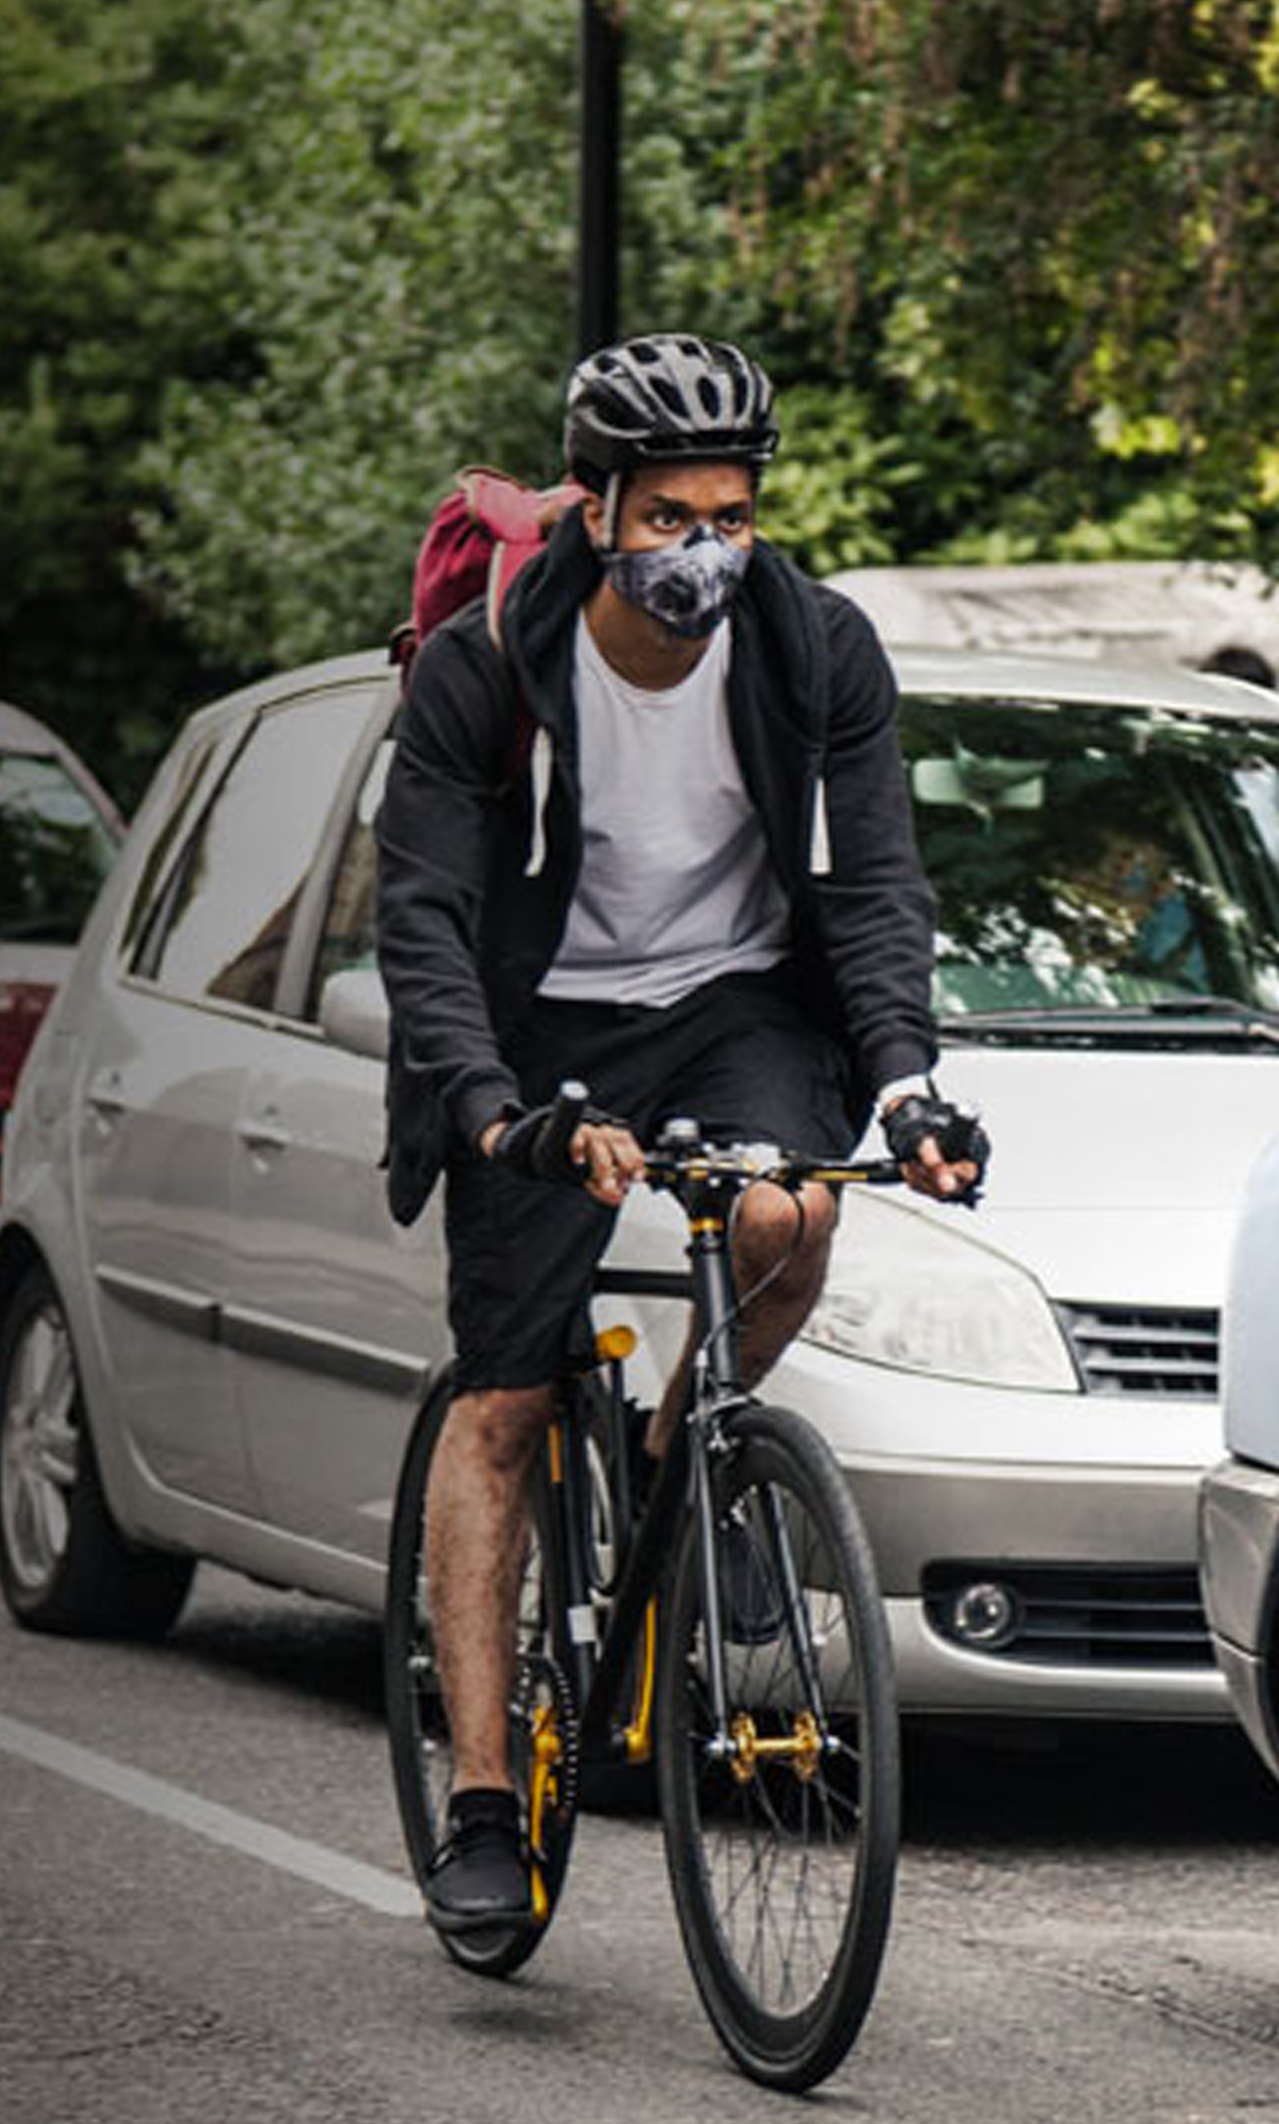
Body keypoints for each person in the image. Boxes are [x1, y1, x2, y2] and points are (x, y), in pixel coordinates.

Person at [376, 332, 985, 1933]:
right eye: (672, 520)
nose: (707, 550)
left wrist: (909, 1077)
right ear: (598, 510)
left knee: (794, 1215)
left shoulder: (816, 649)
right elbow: (425, 916)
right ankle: (488, 1798)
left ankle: (682, 1464)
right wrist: (494, 1113)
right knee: (502, 1399)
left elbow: (872, 886)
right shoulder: (488, 669)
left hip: (733, 1000)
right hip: (534, 1016)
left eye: (734, 514)